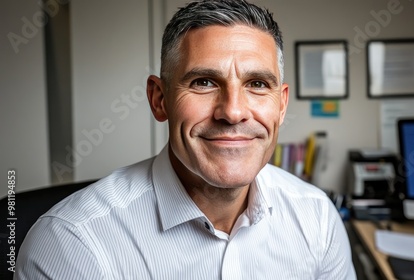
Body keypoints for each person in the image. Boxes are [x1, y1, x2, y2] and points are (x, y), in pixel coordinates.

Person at [15, 0, 356, 279]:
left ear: (281, 106)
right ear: (159, 99)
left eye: (257, 84)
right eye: (204, 82)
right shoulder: (70, 244)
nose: (233, 112)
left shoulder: (318, 219)